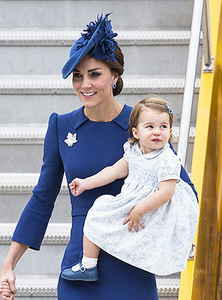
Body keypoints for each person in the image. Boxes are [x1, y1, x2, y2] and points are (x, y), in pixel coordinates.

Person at [0, 14, 196, 300]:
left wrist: (166, 236)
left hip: (132, 265)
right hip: (81, 270)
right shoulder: (62, 126)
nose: (85, 84)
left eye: (95, 74)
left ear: (115, 75)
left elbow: (181, 191)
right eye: (77, 77)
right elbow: (41, 198)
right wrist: (9, 263)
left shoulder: (146, 126)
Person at [61, 96, 199, 282]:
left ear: (170, 131)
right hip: (132, 200)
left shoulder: (167, 159)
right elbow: (114, 171)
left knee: (137, 227)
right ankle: (89, 265)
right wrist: (86, 183)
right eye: (150, 127)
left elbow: (166, 193)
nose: (157, 132)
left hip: (155, 208)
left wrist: (139, 210)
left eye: (163, 127)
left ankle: (136, 258)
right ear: (136, 132)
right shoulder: (134, 151)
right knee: (98, 211)